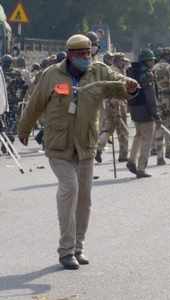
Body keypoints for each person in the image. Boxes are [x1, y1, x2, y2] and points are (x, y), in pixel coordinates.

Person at [17, 34, 138, 270]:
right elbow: (35, 103)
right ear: (70, 55)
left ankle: (78, 247)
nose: (86, 58)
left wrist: (129, 86)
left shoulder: (99, 71)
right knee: (69, 188)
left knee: (84, 198)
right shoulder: (51, 75)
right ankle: (66, 250)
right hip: (59, 145)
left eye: (89, 53)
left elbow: (118, 83)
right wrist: (24, 128)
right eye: (81, 54)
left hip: (86, 145)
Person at [126, 49, 160, 178]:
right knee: (147, 140)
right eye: (151, 59)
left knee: (138, 136)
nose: (153, 62)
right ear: (146, 61)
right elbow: (150, 97)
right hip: (145, 109)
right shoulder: (147, 75)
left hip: (134, 107)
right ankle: (141, 168)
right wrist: (156, 114)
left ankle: (131, 160)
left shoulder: (132, 71)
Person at [95, 52, 130, 163]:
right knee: (123, 130)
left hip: (110, 102)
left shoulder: (112, 70)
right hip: (117, 103)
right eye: (122, 61)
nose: (124, 63)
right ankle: (123, 155)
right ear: (117, 61)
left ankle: (98, 149)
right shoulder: (115, 72)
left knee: (108, 128)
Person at [153, 47, 170, 164]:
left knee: (159, 127)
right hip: (169, 100)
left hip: (157, 100)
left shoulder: (153, 68)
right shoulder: (169, 68)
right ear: (168, 56)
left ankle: (160, 156)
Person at [1, 55, 28, 147]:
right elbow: (24, 85)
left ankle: (6, 139)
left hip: (2, 102)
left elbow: (24, 86)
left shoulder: (1, 73)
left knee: (3, 122)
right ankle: (8, 139)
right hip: (12, 102)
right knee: (11, 121)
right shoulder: (16, 73)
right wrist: (20, 97)